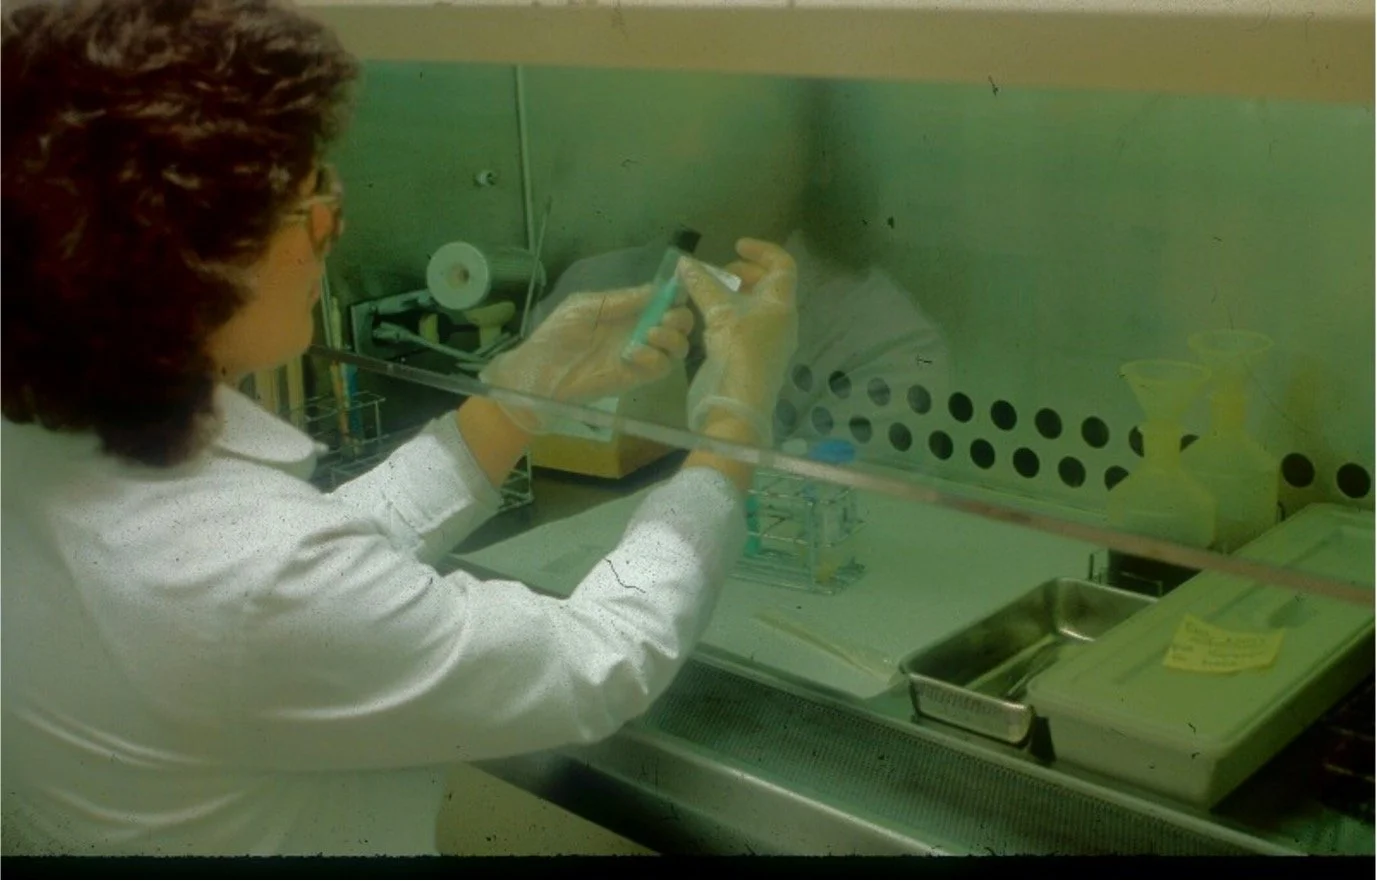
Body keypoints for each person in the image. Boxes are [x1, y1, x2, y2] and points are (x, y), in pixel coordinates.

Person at [1, 0, 799, 857]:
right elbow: (594, 660)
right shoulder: (246, 581)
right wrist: (731, 426)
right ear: (191, 260)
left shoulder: (39, 446)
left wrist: (511, 405)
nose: (330, 235)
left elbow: (296, 581)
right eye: (313, 204)